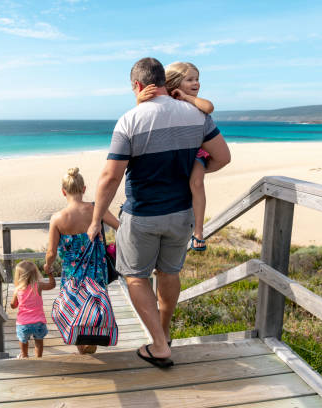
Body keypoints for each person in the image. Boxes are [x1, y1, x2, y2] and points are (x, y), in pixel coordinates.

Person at [87, 57, 230, 368]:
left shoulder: (129, 120)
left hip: (143, 216)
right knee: (169, 273)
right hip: (181, 214)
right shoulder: (196, 114)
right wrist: (199, 165)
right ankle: (162, 333)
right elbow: (223, 157)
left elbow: (110, 177)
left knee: (136, 277)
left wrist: (97, 218)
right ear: (166, 82)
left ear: (138, 86)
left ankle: (160, 345)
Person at [137, 62, 213, 251]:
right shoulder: (168, 100)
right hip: (179, 151)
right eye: (190, 79)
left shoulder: (194, 102)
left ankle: (199, 232)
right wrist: (139, 101)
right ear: (174, 82)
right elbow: (146, 115)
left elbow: (209, 107)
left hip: (198, 151)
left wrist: (187, 97)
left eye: (197, 79)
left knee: (196, 183)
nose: (196, 83)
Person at [44, 167, 120, 354]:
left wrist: (48, 266)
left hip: (72, 274)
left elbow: (51, 252)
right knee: (95, 309)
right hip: (96, 271)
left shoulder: (57, 219)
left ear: (63, 191)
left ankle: (82, 351)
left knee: (75, 312)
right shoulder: (95, 209)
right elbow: (120, 226)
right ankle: (92, 348)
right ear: (84, 189)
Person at [10, 260, 55, 358]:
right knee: (38, 342)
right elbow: (52, 285)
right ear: (35, 273)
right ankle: (38, 358)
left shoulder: (17, 289)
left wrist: (12, 303)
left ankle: (25, 356)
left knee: (23, 340)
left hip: (23, 323)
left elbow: (13, 305)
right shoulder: (38, 285)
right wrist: (50, 274)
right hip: (38, 322)